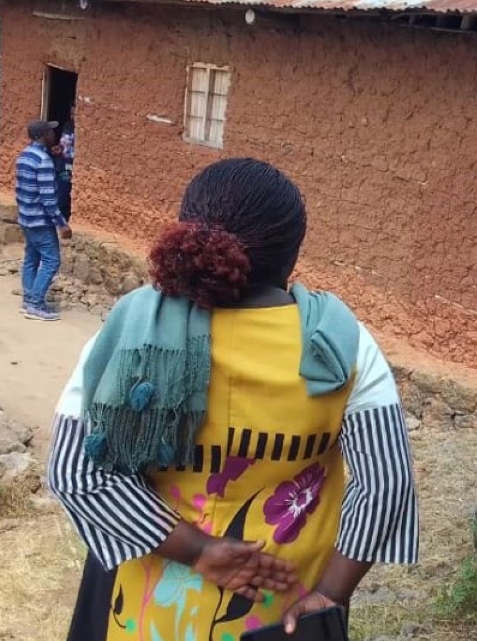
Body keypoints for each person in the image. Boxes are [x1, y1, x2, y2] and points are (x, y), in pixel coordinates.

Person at [47, 158, 418, 641]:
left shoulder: (133, 332)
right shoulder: (343, 344)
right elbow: (385, 484)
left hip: (148, 614)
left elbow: (75, 472)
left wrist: (198, 551)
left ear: (188, 234)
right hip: (280, 615)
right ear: (290, 253)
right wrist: (331, 593)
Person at [16, 120, 71, 322]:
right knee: (51, 260)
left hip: (26, 218)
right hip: (40, 221)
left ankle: (29, 299)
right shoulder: (43, 160)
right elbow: (48, 199)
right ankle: (36, 304)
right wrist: (62, 223)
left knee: (31, 259)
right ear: (43, 135)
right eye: (50, 132)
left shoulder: (24, 156)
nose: (53, 135)